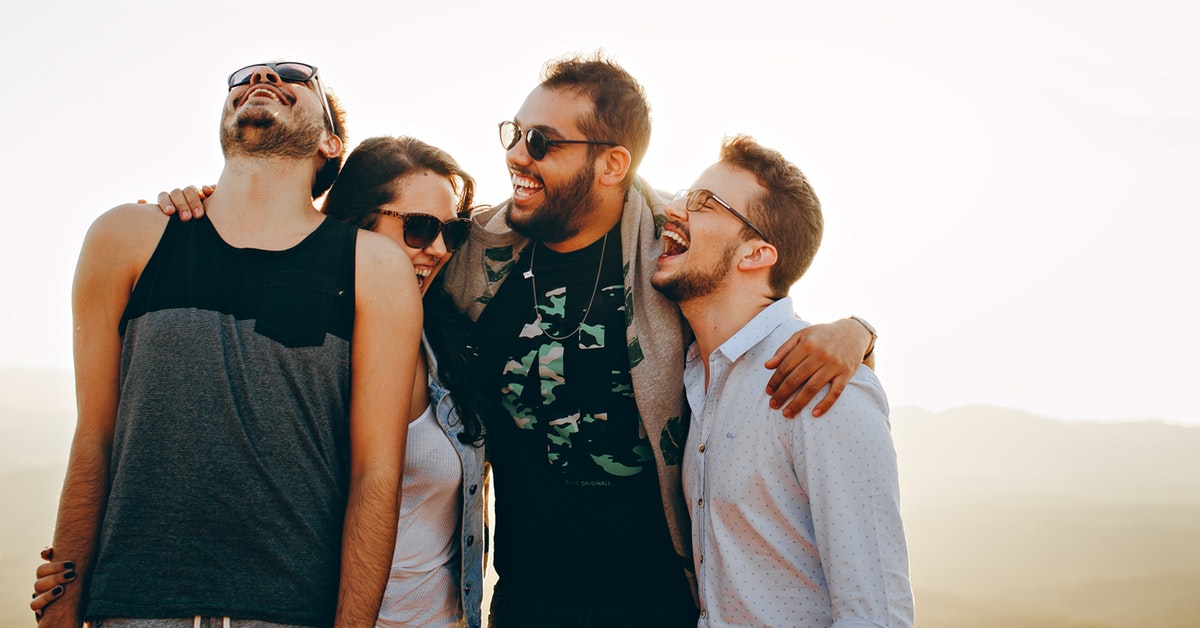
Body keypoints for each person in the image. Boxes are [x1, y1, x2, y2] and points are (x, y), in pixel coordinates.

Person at [442, 53, 878, 627]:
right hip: (524, 599)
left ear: (612, 163)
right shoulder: (473, 251)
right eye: (516, 134)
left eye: (543, 141)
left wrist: (856, 332)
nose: (518, 155)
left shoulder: (670, 249)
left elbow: (756, 302)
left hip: (661, 603)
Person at [34, 135, 490, 628]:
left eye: (454, 231)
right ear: (355, 226)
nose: (441, 248)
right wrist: (73, 579)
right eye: (420, 229)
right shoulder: (294, 349)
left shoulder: (452, 346)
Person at [652, 135, 913, 626]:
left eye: (704, 203)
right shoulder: (697, 379)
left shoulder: (823, 382)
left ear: (756, 254)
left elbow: (876, 611)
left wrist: (860, 332)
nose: (673, 209)